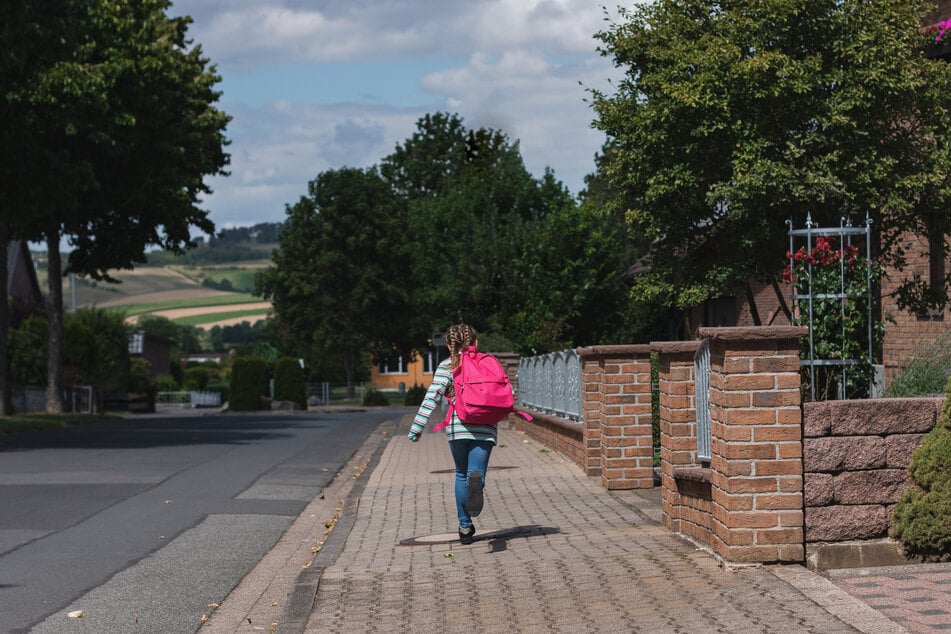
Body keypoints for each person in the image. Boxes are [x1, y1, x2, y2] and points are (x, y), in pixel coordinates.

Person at [407, 323, 496, 544]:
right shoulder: (487, 363)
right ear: (476, 343)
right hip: (485, 427)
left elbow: (432, 397)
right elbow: (506, 390)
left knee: (460, 474)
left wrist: (417, 428)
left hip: (458, 427)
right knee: (475, 473)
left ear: (449, 345)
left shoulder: (447, 366)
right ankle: (478, 482)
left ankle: (465, 526)